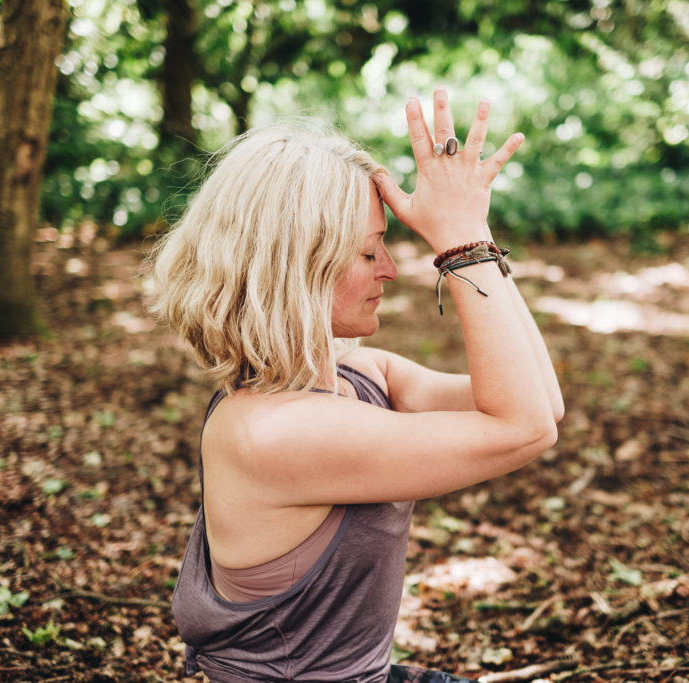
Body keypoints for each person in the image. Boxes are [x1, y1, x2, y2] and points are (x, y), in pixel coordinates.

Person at [148, 88, 564, 682]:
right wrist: (460, 243)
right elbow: (524, 430)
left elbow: (541, 401)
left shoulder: (355, 376)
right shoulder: (273, 432)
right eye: (370, 252)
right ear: (300, 266)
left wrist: (476, 235)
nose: (392, 268)